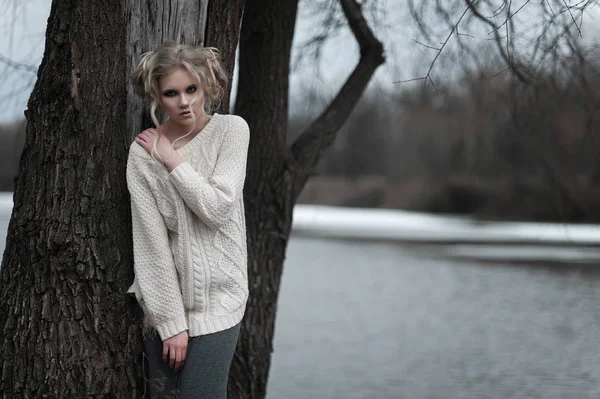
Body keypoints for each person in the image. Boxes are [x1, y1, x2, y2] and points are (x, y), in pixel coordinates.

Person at [126, 41, 250, 399]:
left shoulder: (232, 131)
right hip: (164, 304)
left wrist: (173, 161)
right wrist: (170, 324)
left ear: (205, 86)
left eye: (191, 89)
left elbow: (217, 208)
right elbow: (151, 245)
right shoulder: (142, 155)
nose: (184, 102)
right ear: (157, 97)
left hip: (221, 301)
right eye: (171, 93)